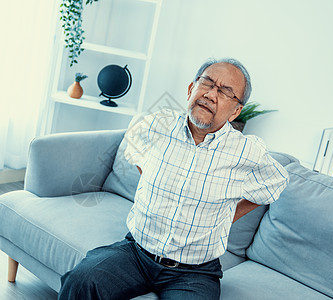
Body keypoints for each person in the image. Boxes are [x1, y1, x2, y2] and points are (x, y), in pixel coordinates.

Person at [58, 58, 289, 300]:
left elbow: (276, 182)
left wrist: (229, 216)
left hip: (195, 272)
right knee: (80, 281)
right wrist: (154, 182)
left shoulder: (246, 151)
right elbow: (134, 146)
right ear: (191, 89)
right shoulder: (158, 124)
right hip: (135, 252)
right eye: (207, 83)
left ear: (236, 111)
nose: (211, 94)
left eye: (224, 91)